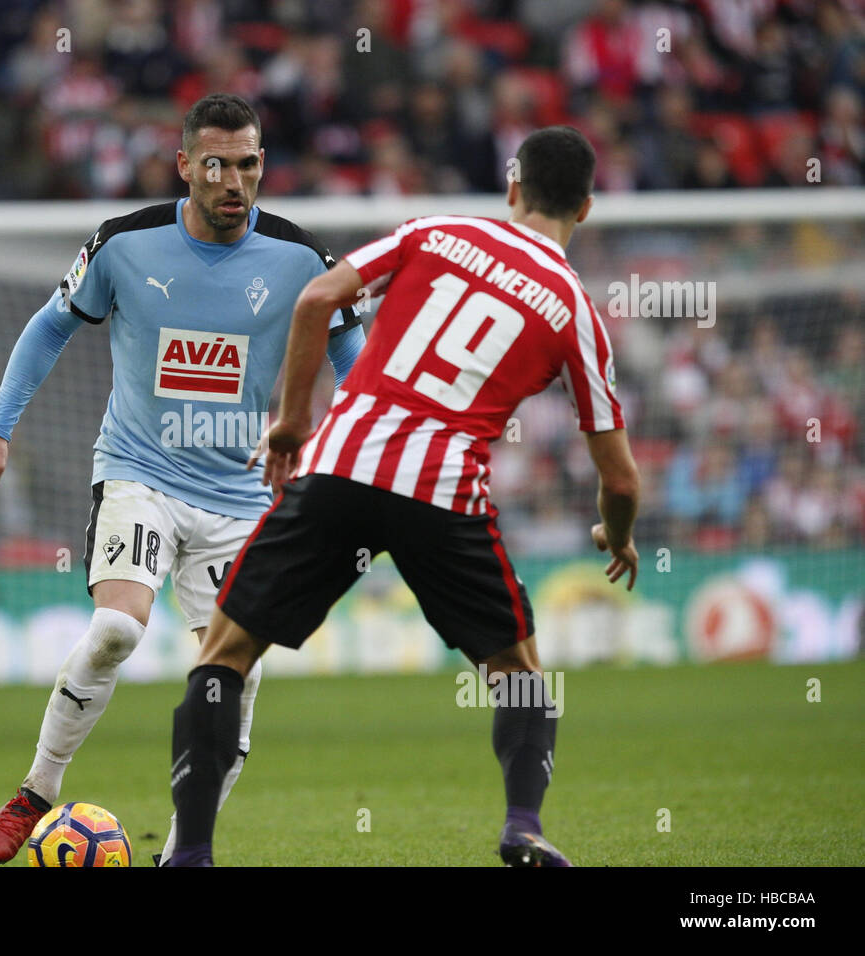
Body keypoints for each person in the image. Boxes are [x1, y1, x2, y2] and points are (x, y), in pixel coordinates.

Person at [167, 125, 640, 867]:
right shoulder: (575, 310)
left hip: (339, 466)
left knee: (223, 656)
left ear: (513, 188)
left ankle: (191, 853)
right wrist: (618, 534)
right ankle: (522, 827)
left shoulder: (438, 231)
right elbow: (619, 478)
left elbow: (318, 297)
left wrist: (290, 423)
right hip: (442, 492)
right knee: (518, 674)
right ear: (585, 209)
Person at [0, 93, 365, 865]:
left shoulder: (303, 262)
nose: (233, 182)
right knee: (116, 629)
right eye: (215, 165)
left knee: (233, 690)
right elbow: (53, 323)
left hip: (243, 501)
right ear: (184, 165)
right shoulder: (124, 244)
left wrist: (362, 459)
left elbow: (354, 364)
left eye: (248, 164)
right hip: (140, 473)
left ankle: (185, 853)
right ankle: (34, 794)